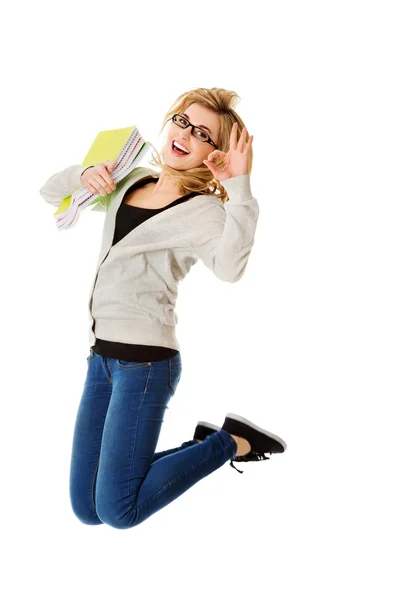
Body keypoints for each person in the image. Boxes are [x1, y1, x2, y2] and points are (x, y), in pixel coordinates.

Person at [39, 87, 287, 530]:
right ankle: (209, 441)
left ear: (215, 152)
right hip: (101, 361)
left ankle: (229, 443)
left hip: (146, 366)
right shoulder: (128, 178)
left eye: (204, 135)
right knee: (86, 508)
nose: (186, 135)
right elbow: (47, 192)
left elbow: (230, 268)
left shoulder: (206, 209)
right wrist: (84, 175)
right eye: (182, 122)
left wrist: (239, 188)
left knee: (118, 510)